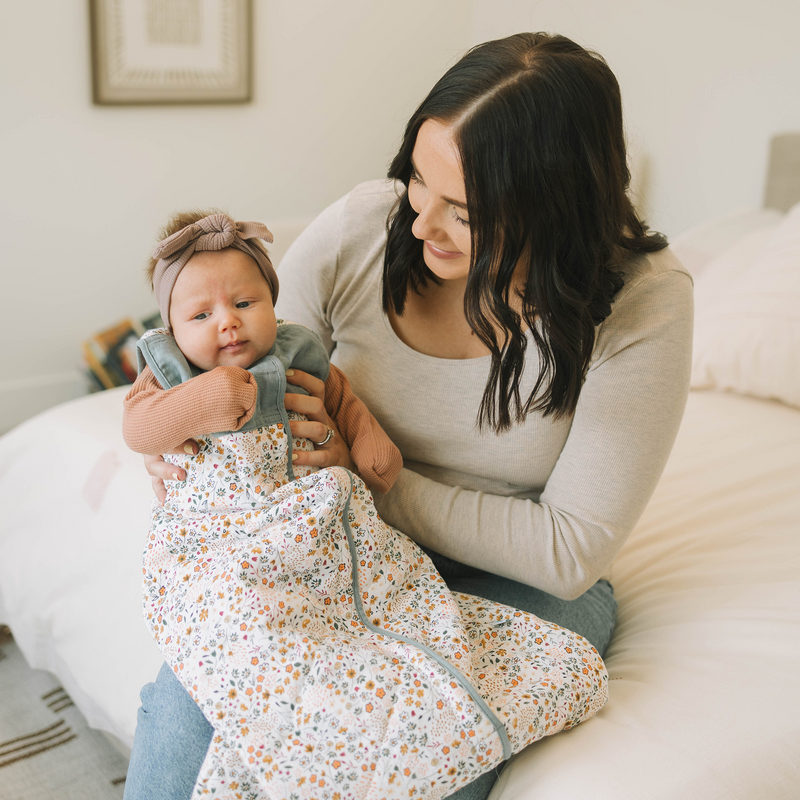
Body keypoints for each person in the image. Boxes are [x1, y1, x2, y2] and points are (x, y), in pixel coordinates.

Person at [125, 32, 693, 800]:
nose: (420, 223)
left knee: (410, 745)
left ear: (555, 209)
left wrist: (374, 483)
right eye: (419, 180)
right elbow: (239, 366)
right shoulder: (367, 227)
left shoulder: (642, 300)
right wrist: (167, 429)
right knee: (192, 714)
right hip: (327, 541)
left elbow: (569, 551)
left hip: (511, 578)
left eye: (463, 212)